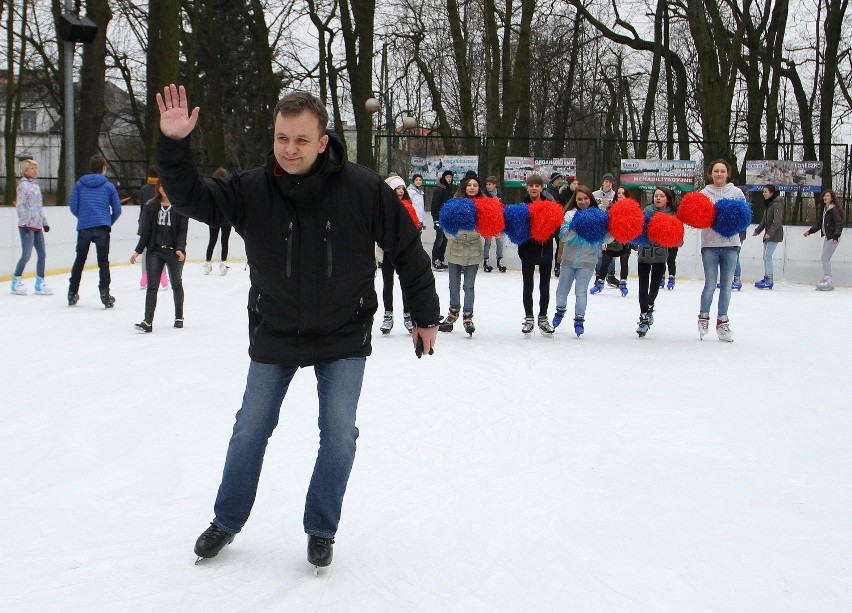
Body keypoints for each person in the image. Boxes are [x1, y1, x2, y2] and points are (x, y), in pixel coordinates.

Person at [155, 84, 439, 569]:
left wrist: (425, 313)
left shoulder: (362, 188)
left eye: (301, 140)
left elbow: (407, 248)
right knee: (250, 429)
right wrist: (175, 145)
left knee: (339, 434)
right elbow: (190, 198)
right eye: (282, 138)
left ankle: (321, 528)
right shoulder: (250, 189)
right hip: (276, 330)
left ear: (323, 140)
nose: (289, 149)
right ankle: (226, 520)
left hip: (343, 333)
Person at [130, 180, 189, 332]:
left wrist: (180, 249)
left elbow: (182, 231)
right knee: (152, 286)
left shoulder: (180, 208)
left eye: (167, 184)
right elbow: (146, 232)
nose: (164, 188)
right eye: (161, 185)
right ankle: (148, 321)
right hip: (155, 251)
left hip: (173, 251)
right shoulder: (152, 206)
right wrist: (138, 250)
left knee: (176, 283)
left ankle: (179, 316)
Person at [698, 159, 745, 341]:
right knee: (710, 284)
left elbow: (743, 217)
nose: (719, 174)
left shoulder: (736, 192)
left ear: (727, 173)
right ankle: (703, 317)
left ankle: (722, 322)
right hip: (709, 245)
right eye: (716, 171)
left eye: (722, 171)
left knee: (726, 286)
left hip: (731, 245)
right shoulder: (703, 193)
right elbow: (698, 217)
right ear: (711, 173)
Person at [68, 154, 122, 308]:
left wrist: (84, 217)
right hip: (102, 228)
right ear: (103, 168)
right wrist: (106, 221)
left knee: (80, 260)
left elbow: (73, 206)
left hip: (84, 227)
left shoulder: (80, 184)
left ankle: (72, 292)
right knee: (103, 262)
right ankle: (105, 294)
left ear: (90, 168)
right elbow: (117, 210)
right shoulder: (108, 186)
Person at [438, 175, 484, 336]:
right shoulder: (454, 203)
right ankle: (453, 312)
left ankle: (468, 315)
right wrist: (455, 234)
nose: (472, 187)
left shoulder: (483, 206)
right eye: (469, 185)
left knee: (469, 286)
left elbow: (486, 228)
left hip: (474, 250)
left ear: (479, 188)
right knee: (453, 284)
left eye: (475, 185)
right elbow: (446, 227)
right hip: (455, 249)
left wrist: (473, 234)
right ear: (464, 187)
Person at [552, 185, 600, 337]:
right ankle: (560, 310)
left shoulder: (598, 214)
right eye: (579, 199)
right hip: (569, 259)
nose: (583, 201)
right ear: (575, 200)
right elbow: (563, 237)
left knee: (581, 292)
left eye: (586, 198)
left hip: (588, 260)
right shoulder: (569, 215)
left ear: (590, 199)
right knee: (561, 291)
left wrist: (612, 232)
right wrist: (576, 226)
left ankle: (579, 319)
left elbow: (604, 237)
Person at [380, 175, 421, 334]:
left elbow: (414, 227)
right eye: (397, 188)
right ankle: (388, 315)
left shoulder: (408, 206)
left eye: (402, 188)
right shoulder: (383, 208)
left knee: (405, 283)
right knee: (387, 283)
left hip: (403, 251)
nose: (400, 191)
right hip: (388, 250)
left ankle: (408, 314)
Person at [518, 174, 556, 338]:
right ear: (527, 187)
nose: (534, 188)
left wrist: (545, 232)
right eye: (531, 185)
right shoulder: (522, 206)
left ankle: (543, 317)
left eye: (537, 185)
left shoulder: (549, 205)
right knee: (528, 285)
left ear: (542, 187)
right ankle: (528, 317)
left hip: (545, 251)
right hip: (527, 251)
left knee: (544, 286)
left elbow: (555, 228)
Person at [635, 187, 676, 337]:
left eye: (661, 196)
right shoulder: (646, 211)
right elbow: (638, 229)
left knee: (655, 285)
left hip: (660, 255)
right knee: (642, 285)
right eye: (656, 196)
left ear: (668, 199)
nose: (658, 198)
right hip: (644, 253)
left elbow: (677, 237)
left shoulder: (672, 214)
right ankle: (644, 316)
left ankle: (649, 306)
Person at [11, 159, 52, 296]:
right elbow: (21, 205)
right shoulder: (23, 186)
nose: (35, 170)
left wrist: (44, 222)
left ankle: (40, 282)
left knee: (42, 254)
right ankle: (16, 281)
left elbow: (38, 207)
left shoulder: (36, 186)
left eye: (35, 168)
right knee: (26, 255)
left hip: (37, 226)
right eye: (32, 168)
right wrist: (25, 222)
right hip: (27, 227)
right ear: (25, 171)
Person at [589, 186, 632, 297]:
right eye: (618, 193)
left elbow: (634, 225)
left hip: (624, 240)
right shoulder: (611, 208)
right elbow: (606, 225)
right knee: (605, 262)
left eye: (623, 193)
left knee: (624, 261)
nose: (620, 195)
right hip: (611, 240)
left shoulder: (631, 209)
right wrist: (604, 240)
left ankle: (623, 283)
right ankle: (600, 283)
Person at [804, 190, 844, 291]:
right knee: (825, 258)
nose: (825, 197)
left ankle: (828, 279)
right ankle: (827, 278)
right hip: (828, 237)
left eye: (828, 196)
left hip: (833, 237)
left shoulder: (833, 210)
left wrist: (836, 236)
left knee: (825, 258)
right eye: (824, 196)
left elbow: (839, 223)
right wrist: (810, 231)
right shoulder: (825, 210)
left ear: (831, 198)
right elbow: (819, 224)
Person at [752, 184, 784, 289]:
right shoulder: (769, 204)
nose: (763, 194)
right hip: (768, 235)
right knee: (765, 256)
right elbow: (764, 221)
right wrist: (758, 230)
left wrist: (770, 233)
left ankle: (769, 279)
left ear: (771, 193)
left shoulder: (777, 204)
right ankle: (767, 277)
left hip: (774, 235)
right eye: (763, 191)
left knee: (767, 256)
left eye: (765, 192)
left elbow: (777, 221)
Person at [204, 167, 233, 275]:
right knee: (224, 241)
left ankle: (208, 263)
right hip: (226, 218)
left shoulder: (211, 189)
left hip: (214, 218)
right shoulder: (229, 190)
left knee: (212, 240)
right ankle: (223, 263)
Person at [137, 166, 162, 289]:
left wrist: (140, 223)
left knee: (145, 251)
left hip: (145, 223)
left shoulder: (144, 189)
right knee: (161, 250)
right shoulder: (161, 188)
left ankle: (145, 275)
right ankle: (162, 275)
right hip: (159, 224)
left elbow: (142, 208)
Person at [593, 173, 618, 286]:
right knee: (599, 252)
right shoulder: (594, 194)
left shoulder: (615, 195)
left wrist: (609, 205)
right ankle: (599, 274)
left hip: (610, 226)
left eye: (610, 182)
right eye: (606, 181)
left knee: (610, 251)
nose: (608, 184)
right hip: (598, 226)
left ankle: (610, 275)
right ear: (602, 182)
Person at [430, 170, 454, 270]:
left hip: (447, 219)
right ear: (443, 178)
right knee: (439, 240)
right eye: (447, 177)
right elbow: (434, 205)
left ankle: (441, 259)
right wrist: (436, 219)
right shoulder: (439, 190)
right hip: (439, 218)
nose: (449, 179)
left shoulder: (450, 190)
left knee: (445, 240)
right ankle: (435, 260)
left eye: (450, 177)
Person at [482, 175, 506, 272]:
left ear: (494, 185)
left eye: (490, 184)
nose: (488, 186)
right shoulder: (483, 194)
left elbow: (504, 206)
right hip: (488, 221)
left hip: (497, 221)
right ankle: (486, 260)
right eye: (487, 184)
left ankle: (500, 261)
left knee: (499, 241)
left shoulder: (500, 194)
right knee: (487, 242)